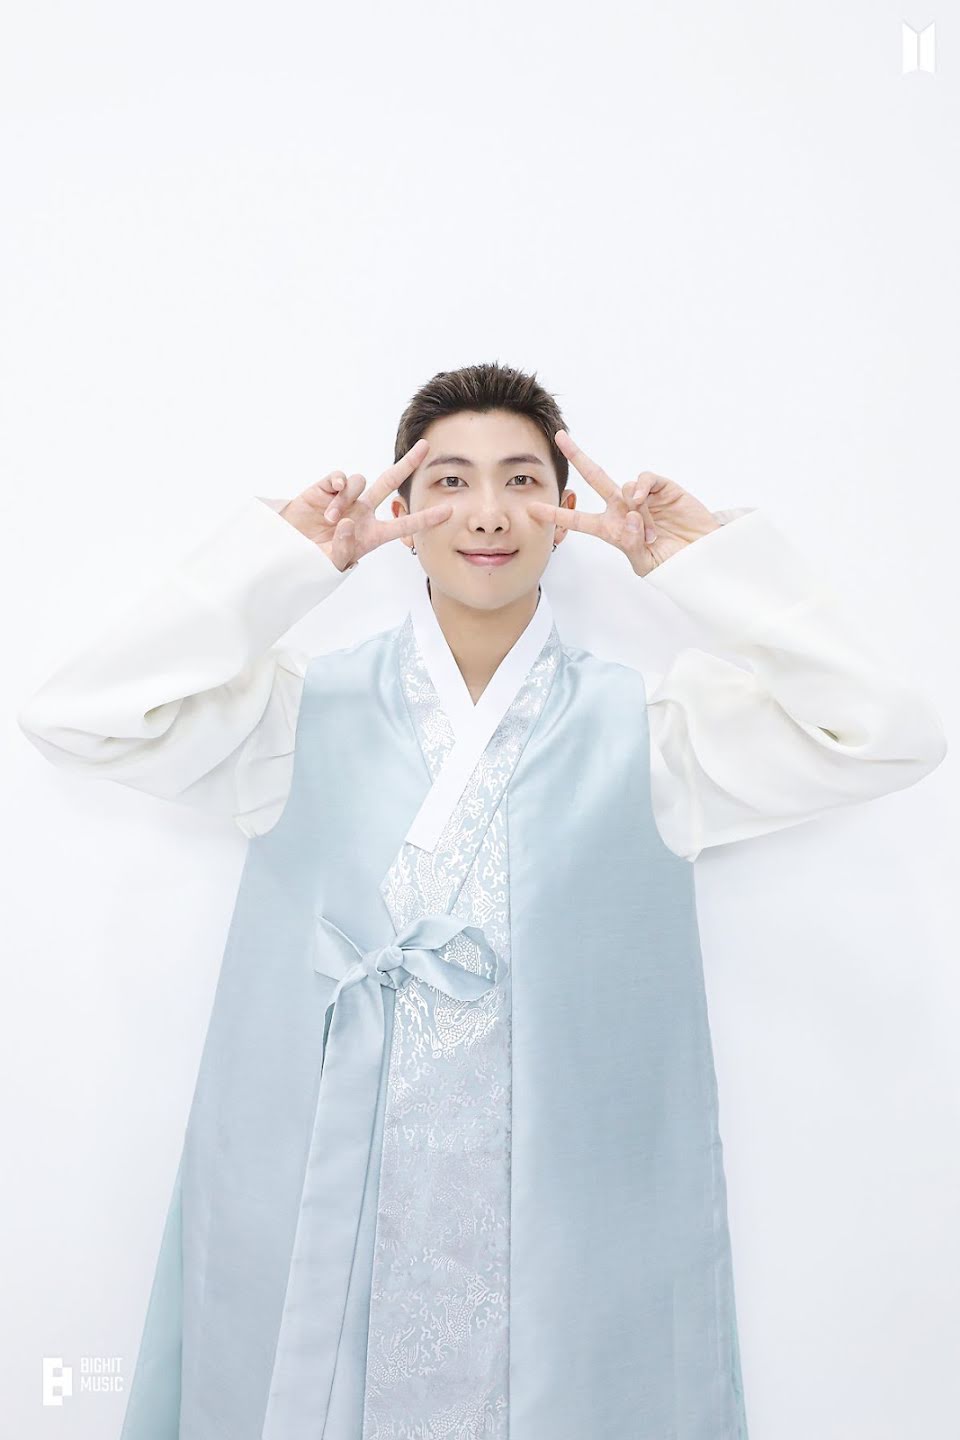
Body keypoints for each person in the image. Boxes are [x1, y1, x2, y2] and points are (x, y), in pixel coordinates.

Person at [17, 362, 947, 1440]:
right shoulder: (293, 716)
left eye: (521, 479)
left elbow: (888, 736)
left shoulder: (651, 733)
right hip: (321, 1196)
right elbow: (73, 717)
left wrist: (703, 567)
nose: (489, 513)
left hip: (565, 1232)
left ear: (565, 511)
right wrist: (278, 565)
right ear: (401, 516)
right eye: (451, 481)